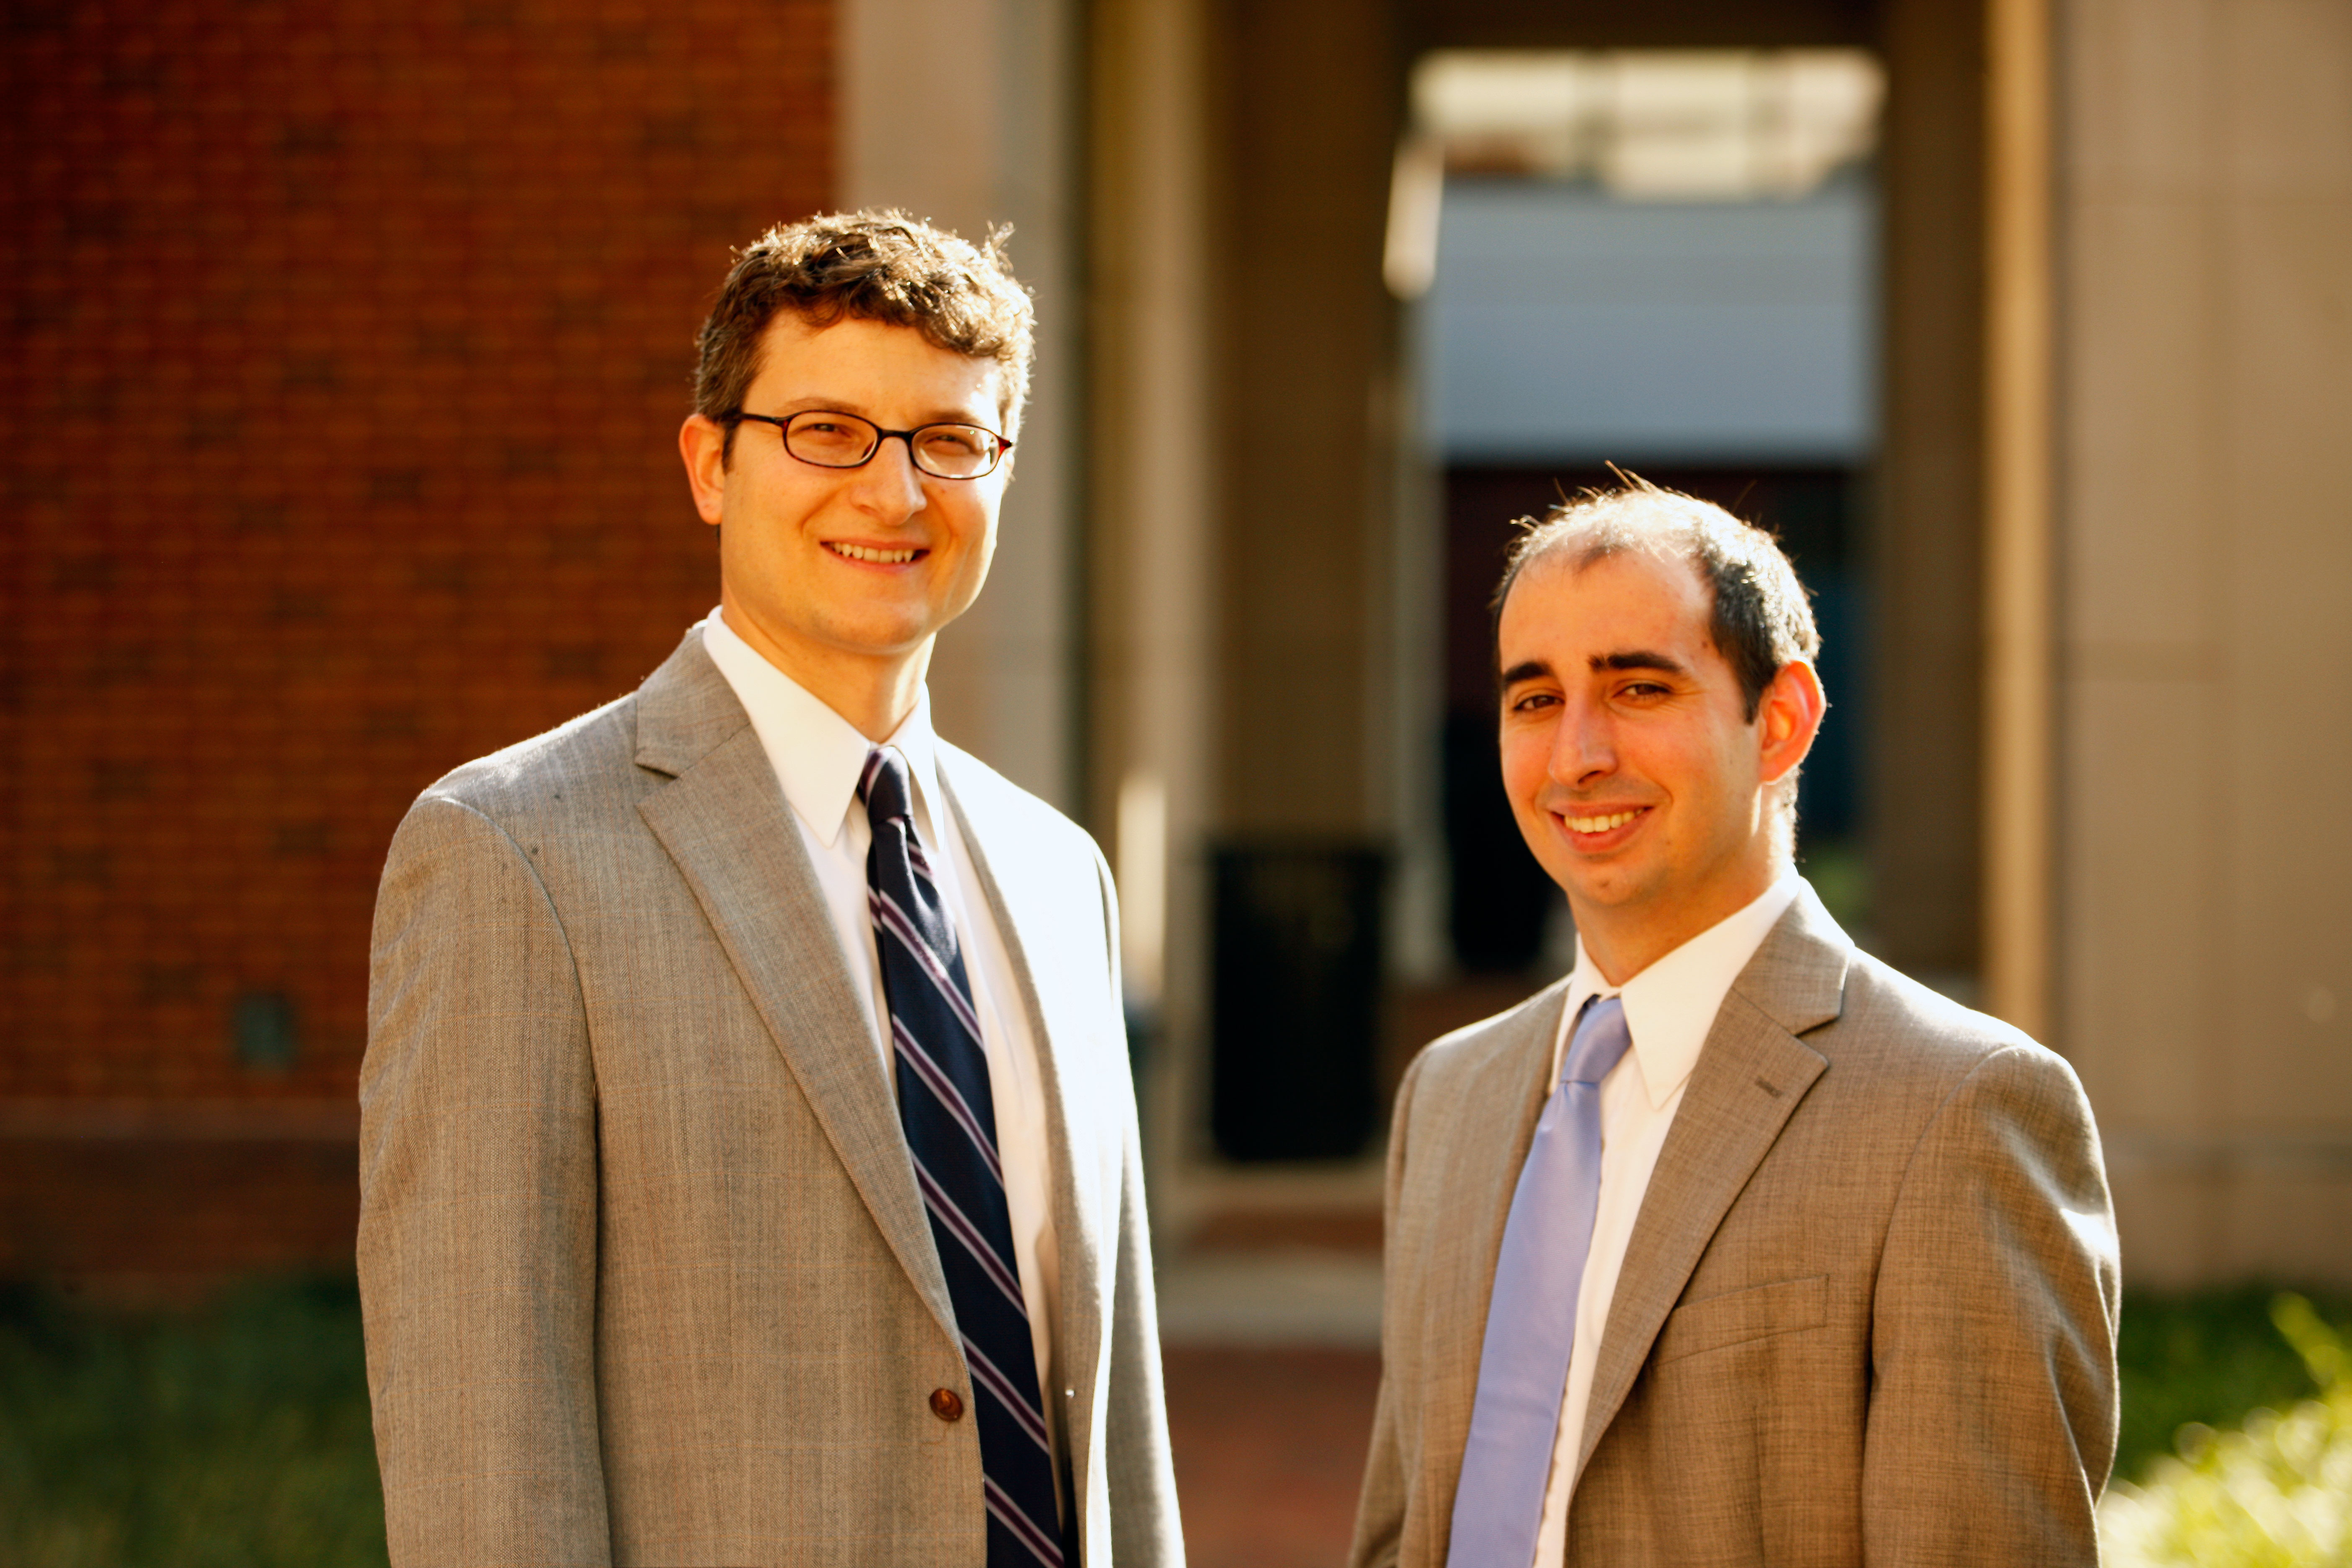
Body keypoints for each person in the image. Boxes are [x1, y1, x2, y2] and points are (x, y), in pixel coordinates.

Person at [359, 211, 1182, 1568]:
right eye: (828, 432)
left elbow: (1120, 1428)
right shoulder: (515, 857)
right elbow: (481, 1450)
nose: (893, 492)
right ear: (709, 465)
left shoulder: (1058, 873)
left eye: (950, 442)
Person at [1349, 482, 2119, 1567]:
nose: (1575, 757)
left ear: (1784, 722)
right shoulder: (1451, 1093)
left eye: (1638, 690)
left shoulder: (1957, 1110)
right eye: (1534, 700)